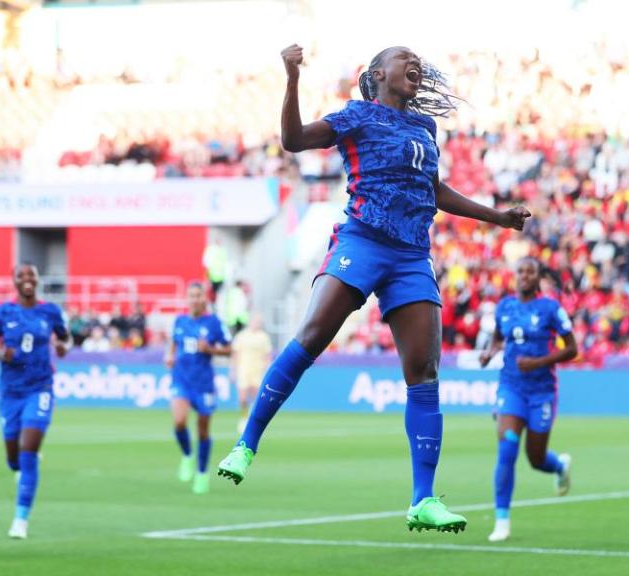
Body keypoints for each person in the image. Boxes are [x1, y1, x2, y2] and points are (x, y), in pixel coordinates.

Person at [217, 44, 530, 534]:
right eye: (405, 57)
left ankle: (423, 499)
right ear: (378, 73)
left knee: (424, 370)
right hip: (362, 239)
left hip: (410, 255)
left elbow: (434, 191)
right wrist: (292, 77)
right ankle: (247, 442)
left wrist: (497, 217)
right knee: (313, 333)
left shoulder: (425, 129)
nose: (416, 64)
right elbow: (294, 139)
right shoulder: (356, 116)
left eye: (418, 61)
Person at [479, 258, 578, 542]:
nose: (524, 276)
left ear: (538, 277)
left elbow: (572, 348)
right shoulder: (505, 307)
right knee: (507, 447)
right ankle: (502, 521)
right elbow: (498, 338)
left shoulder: (550, 309)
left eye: (529, 272)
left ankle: (558, 466)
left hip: (542, 390)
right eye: (520, 271)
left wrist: (538, 362)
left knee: (535, 458)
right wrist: (489, 352)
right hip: (511, 386)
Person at [0, 263, 71, 539]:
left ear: (38, 279)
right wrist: (1, 355)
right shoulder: (4, 312)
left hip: (40, 388)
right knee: (13, 458)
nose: (27, 279)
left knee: (28, 450)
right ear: (15, 281)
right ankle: (19, 466)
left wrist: (61, 347)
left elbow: (66, 340)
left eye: (31, 274)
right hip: (11, 392)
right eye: (21, 275)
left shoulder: (50, 311)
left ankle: (20, 520)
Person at [165, 282, 231, 494]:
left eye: (198, 295)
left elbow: (229, 349)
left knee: (203, 431)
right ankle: (187, 455)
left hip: (204, 384)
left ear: (204, 298)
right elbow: (174, 343)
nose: (194, 299)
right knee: (179, 421)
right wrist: (170, 355)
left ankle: (202, 473)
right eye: (191, 295)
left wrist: (210, 349)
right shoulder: (180, 321)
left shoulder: (214, 323)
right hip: (181, 380)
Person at [230, 313, 273, 434]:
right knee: (242, 399)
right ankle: (243, 419)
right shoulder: (241, 336)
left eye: (259, 322)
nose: (257, 324)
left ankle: (256, 422)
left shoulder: (263, 337)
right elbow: (235, 354)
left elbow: (267, 354)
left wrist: (267, 368)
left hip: (258, 371)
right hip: (243, 370)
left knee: (256, 399)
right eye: (255, 321)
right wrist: (233, 370)